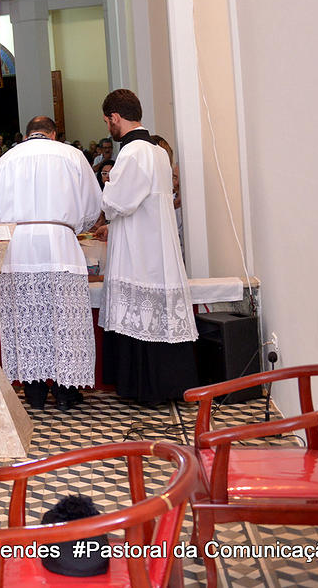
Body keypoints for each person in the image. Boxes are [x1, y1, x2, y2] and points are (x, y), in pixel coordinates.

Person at [0, 116, 103, 410]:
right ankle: (65, 393)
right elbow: (93, 204)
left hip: (19, 247)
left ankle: (34, 392)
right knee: (64, 319)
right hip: (59, 242)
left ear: (27, 134)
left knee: (27, 318)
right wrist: (73, 228)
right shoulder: (72, 155)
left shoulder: (5, 160)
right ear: (53, 134)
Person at [97, 89, 198, 405]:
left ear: (115, 117)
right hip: (158, 247)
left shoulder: (132, 152)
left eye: (107, 122)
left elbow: (117, 203)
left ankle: (143, 389)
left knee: (138, 316)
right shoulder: (157, 152)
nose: (108, 128)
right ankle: (167, 386)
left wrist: (107, 187)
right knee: (157, 318)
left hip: (138, 249)